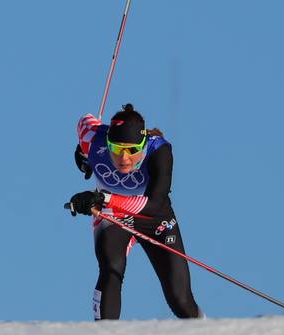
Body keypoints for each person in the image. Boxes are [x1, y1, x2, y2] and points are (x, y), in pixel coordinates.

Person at [69, 103, 202, 320]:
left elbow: (155, 204)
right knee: (111, 269)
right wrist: (84, 153)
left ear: (143, 144)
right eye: (116, 148)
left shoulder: (159, 151)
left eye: (132, 150)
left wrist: (103, 198)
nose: (124, 158)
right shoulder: (92, 138)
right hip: (113, 216)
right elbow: (85, 119)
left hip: (153, 218)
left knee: (180, 299)